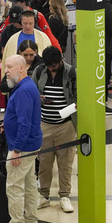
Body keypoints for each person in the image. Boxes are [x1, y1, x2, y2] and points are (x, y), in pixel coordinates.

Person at [0, 55, 43, 223]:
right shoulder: (27, 86)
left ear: (21, 69)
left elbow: (25, 123)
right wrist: (8, 124)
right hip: (32, 144)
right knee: (30, 184)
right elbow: (24, 117)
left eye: (10, 67)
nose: (6, 70)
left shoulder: (23, 91)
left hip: (22, 147)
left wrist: (16, 149)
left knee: (14, 187)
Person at [33, 47, 77, 213]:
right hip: (44, 124)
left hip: (66, 125)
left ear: (61, 60)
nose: (52, 68)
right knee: (44, 162)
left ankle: (64, 196)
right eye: (49, 66)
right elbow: (32, 92)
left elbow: (79, 98)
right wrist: (40, 98)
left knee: (65, 163)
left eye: (55, 65)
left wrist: (69, 110)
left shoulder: (72, 72)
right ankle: (43, 196)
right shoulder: (39, 72)